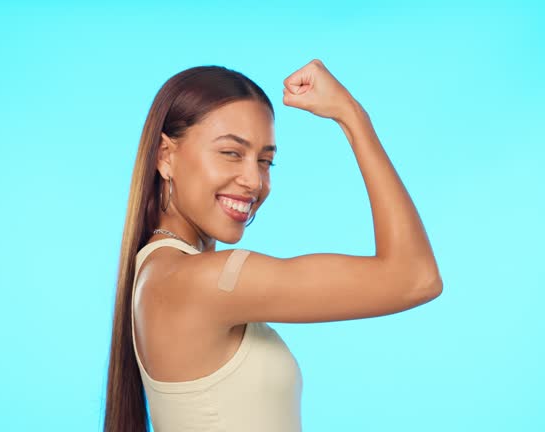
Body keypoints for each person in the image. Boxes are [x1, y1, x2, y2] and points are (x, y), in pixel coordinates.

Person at [103, 59, 443, 432]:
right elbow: (415, 278)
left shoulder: (162, 273)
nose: (253, 180)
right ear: (165, 156)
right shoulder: (201, 281)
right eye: (231, 153)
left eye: (265, 160)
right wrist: (351, 116)